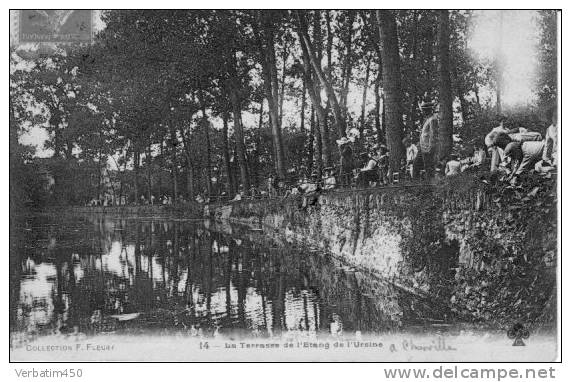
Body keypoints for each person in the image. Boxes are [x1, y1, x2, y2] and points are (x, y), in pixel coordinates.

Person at [419, 101, 439, 178]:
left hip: (429, 147)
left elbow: (433, 134)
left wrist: (431, 146)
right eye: (423, 110)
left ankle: (430, 183)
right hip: (424, 147)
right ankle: (427, 181)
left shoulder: (433, 119)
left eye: (424, 110)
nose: (423, 112)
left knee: (430, 166)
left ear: (428, 110)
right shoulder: (427, 120)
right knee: (426, 166)